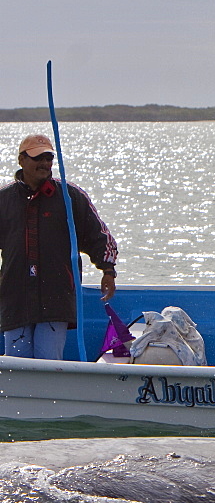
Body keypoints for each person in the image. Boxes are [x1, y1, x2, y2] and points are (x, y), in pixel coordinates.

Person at [0, 134, 119, 359]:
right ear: (21, 160)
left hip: (55, 298)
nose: (44, 163)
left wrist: (108, 270)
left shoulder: (70, 196)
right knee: (16, 367)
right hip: (15, 298)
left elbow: (99, 236)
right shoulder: (4, 199)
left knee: (49, 362)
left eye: (48, 158)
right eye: (38, 158)